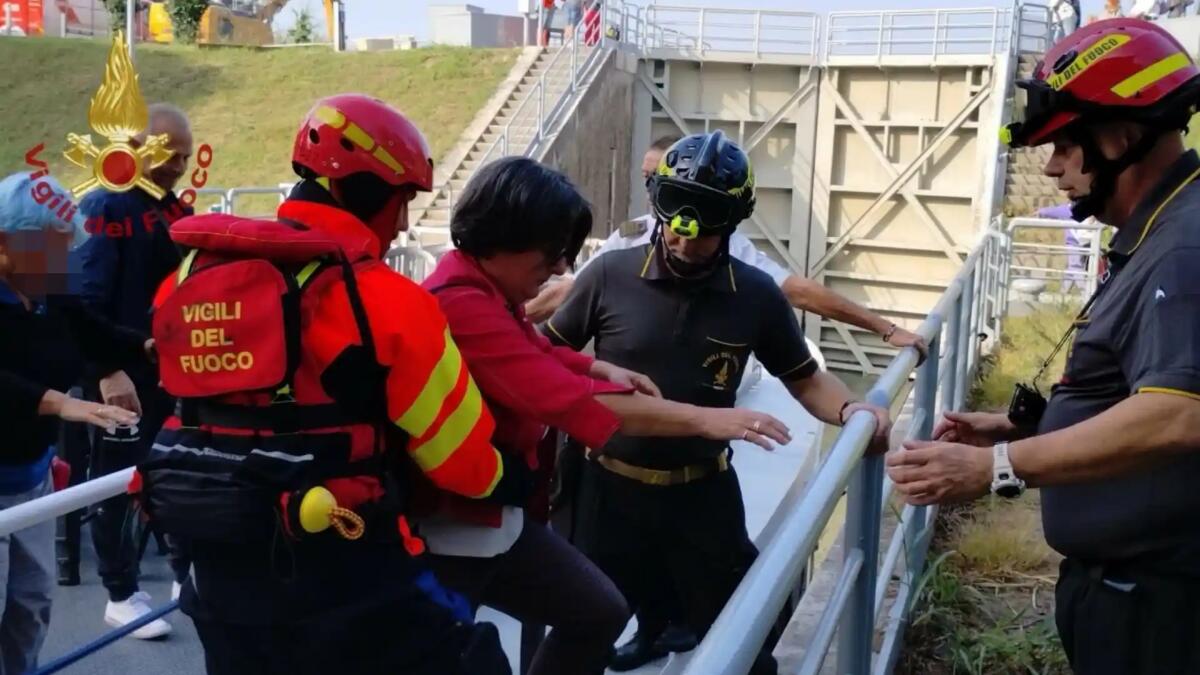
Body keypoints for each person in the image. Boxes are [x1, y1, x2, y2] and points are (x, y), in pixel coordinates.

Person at [135, 94, 520, 674]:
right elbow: (460, 462)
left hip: (218, 584)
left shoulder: (188, 281)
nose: (405, 223)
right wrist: (510, 476)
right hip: (351, 584)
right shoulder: (390, 302)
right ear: (361, 192)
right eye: (403, 201)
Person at [888, 19, 1200, 675]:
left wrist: (998, 465)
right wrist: (1019, 423)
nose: (1053, 165)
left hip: (1158, 610)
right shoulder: (1161, 231)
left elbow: (1180, 412)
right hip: (1128, 594)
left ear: (1122, 133)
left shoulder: (1183, 247)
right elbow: (1135, 384)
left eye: (1062, 143)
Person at [417, 155, 792, 675]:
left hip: (495, 515)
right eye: (551, 254)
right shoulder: (459, 305)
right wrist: (705, 419)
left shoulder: (485, 291)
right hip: (448, 526)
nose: (560, 270)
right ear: (503, 236)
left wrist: (598, 365)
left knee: (600, 611)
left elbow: (538, 351)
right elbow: (562, 399)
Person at [545, 131, 893, 673]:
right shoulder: (609, 275)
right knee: (582, 633)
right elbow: (546, 358)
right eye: (675, 225)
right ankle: (651, 635)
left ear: (732, 222)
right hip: (606, 494)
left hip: (703, 495)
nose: (684, 243)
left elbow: (804, 379)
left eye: (702, 232)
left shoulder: (755, 295)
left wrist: (852, 411)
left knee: (750, 636)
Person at [525, 136, 928, 362]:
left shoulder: (726, 248)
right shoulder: (632, 234)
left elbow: (799, 293)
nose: (652, 192)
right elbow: (568, 292)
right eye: (649, 181)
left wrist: (885, 328)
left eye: (660, 180)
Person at [0, 172, 144, 674]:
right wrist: (61, 404)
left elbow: (93, 333)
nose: (65, 260)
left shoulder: (46, 290)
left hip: (29, 480)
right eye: (53, 248)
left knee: (30, 608)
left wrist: (151, 344)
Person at [77, 102, 193, 638]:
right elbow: (82, 300)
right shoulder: (106, 206)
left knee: (173, 475)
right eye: (168, 152)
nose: (177, 164)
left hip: (171, 374)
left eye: (185, 156)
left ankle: (181, 573)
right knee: (119, 482)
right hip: (123, 379)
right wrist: (107, 369)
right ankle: (120, 593)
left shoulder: (172, 211)